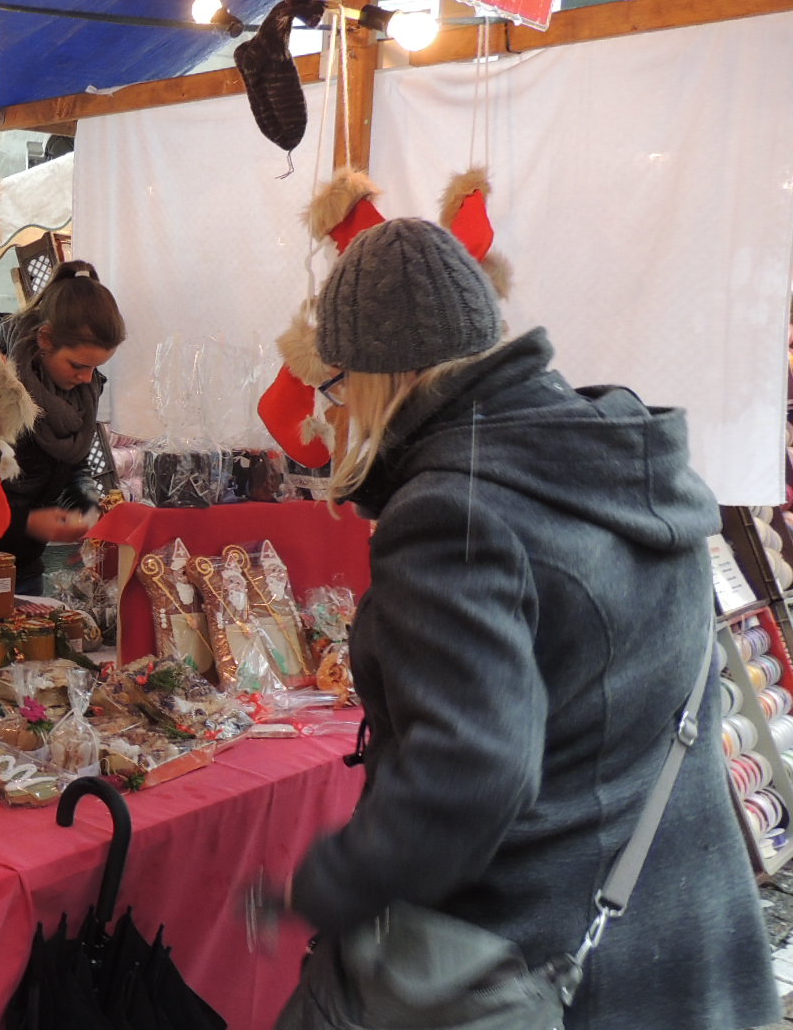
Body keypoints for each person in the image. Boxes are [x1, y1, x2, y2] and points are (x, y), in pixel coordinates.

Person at [272, 219, 776, 1029]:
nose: (336, 410)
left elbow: (473, 769)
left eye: (337, 385)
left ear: (378, 375)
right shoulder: (620, 455)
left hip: (542, 963)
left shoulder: (453, 510)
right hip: (683, 934)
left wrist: (333, 882)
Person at [0, 260, 124, 595]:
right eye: (78, 365)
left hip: (25, 567)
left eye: (95, 367)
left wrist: (86, 507)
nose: (86, 378)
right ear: (45, 339)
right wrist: (27, 522)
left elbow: (75, 464)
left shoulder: (82, 393)